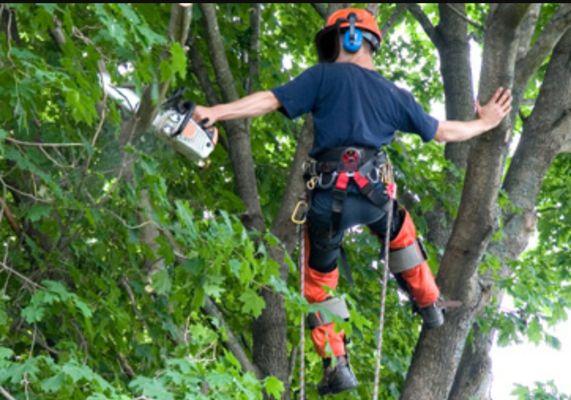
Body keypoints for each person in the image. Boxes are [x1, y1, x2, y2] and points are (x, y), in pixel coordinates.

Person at [192, 7, 512, 396]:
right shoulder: (395, 95)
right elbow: (444, 131)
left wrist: (214, 112)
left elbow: (267, 100)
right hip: (374, 196)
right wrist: (486, 123)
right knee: (401, 234)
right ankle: (429, 303)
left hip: (327, 201)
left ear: (343, 38)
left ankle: (336, 363)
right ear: (365, 40)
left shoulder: (322, 78)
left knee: (319, 285)